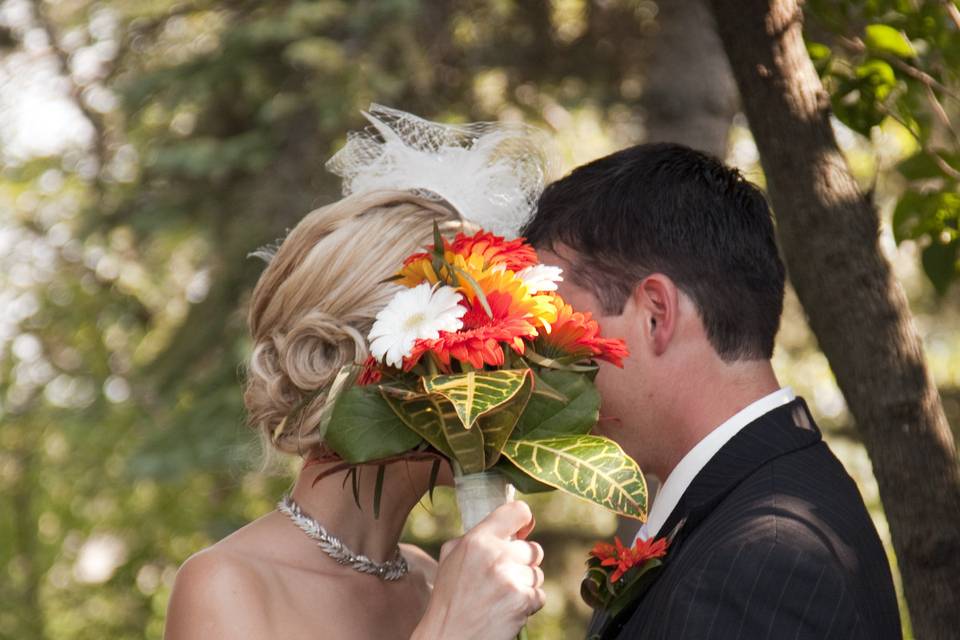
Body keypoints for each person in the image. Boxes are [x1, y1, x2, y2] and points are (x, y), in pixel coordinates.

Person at [522, 142, 902, 639]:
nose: (546, 365)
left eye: (562, 329)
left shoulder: (761, 563)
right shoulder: (746, 509)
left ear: (656, 313)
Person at [164, 167, 548, 636]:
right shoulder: (226, 584)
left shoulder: (433, 580)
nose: (505, 381)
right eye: (479, 348)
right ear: (385, 361)